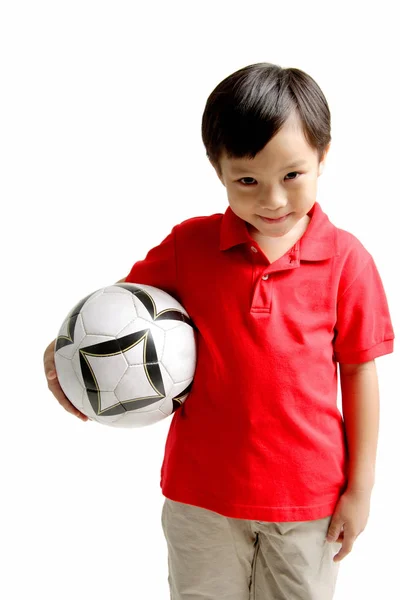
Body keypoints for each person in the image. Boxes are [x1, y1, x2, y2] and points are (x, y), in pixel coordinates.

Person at [44, 62, 395, 600]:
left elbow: (359, 372)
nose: (272, 200)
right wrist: (66, 352)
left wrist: (361, 488)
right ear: (219, 171)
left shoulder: (348, 261)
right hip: (201, 497)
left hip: (308, 501)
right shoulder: (190, 247)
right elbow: (114, 312)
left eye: (292, 176)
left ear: (323, 157)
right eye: (247, 180)